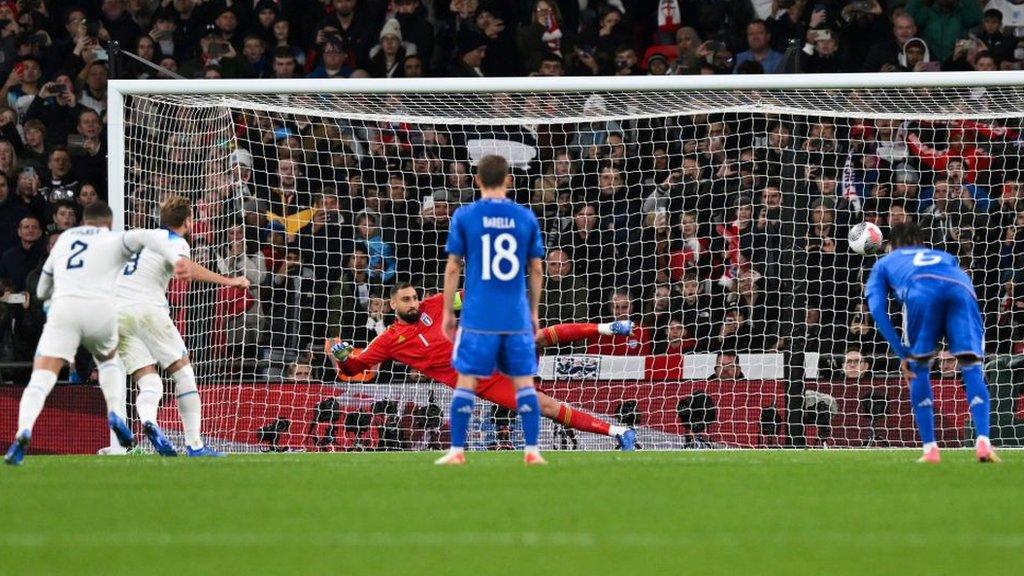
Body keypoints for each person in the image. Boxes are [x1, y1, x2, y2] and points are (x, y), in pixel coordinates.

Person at [330, 282, 636, 449]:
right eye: (406, 300)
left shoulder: (435, 305)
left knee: (537, 337)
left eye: (414, 297)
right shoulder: (387, 341)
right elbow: (356, 368)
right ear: (392, 305)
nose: (413, 303)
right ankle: (618, 431)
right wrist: (343, 358)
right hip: (481, 382)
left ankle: (607, 328)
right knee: (545, 407)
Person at [5, 201, 192, 465]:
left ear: (83, 221)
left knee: (41, 377)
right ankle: (115, 412)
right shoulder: (114, 239)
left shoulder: (66, 238)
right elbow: (149, 236)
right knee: (109, 362)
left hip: (64, 310)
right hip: (101, 311)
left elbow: (43, 288)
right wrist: (176, 259)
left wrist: (48, 299)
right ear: (110, 223)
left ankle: (23, 431)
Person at [111, 196, 250, 457]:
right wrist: (230, 281)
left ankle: (149, 422)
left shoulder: (139, 238)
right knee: (183, 373)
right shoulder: (174, 242)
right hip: (147, 309)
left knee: (150, 380)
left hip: (116, 313)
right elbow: (184, 267)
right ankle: (195, 445)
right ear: (188, 221)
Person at [434, 154, 546, 465]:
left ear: (477, 180)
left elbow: (453, 267)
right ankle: (532, 451)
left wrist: (446, 312)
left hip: (478, 317)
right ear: (508, 180)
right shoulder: (525, 218)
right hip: (515, 317)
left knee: (467, 381)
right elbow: (536, 270)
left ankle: (457, 451)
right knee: (523, 383)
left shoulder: (465, 216)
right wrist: (533, 312)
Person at [865, 221, 998, 464]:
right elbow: (963, 283)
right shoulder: (943, 255)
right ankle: (984, 443)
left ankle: (930, 449)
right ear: (921, 243)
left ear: (891, 246)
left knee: (919, 368)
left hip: (921, 290)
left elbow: (876, 309)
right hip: (962, 290)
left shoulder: (884, 263)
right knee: (971, 364)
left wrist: (901, 351)